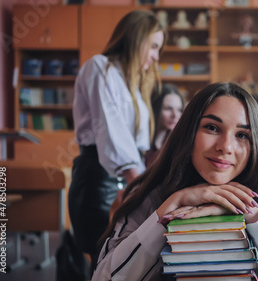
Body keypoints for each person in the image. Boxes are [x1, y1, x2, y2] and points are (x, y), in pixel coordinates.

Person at [92, 83, 258, 281]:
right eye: (212, 128)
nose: (226, 147)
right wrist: (172, 206)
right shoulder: (150, 194)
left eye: (242, 135)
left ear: (256, 146)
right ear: (189, 133)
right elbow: (104, 277)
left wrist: (253, 215)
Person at [68, 10, 164, 273]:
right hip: (98, 181)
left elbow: (137, 144)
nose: (156, 56)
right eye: (154, 46)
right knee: (103, 262)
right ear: (136, 38)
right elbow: (110, 130)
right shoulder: (100, 67)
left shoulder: (132, 84)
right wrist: (141, 188)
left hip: (127, 178)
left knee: (122, 261)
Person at [145, 83, 184, 166]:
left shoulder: (179, 143)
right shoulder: (142, 138)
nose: (175, 115)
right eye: (168, 109)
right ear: (156, 109)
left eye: (179, 110)